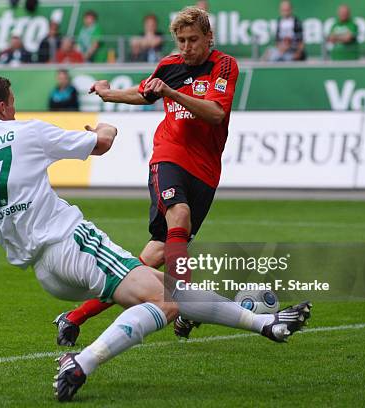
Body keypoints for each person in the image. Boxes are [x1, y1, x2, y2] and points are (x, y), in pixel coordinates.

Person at [0, 74, 311, 402]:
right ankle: (82, 362)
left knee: (165, 295)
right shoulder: (24, 132)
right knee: (169, 297)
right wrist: (103, 126)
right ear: (3, 107)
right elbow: (102, 144)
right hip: (72, 243)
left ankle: (263, 322)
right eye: (12, 100)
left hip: (44, 273)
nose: (14, 107)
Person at [54, 6, 243, 345]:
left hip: (205, 171)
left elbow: (215, 114)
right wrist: (109, 93)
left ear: (208, 38)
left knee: (153, 256)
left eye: (193, 40)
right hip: (168, 156)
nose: (186, 47)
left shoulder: (224, 65)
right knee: (179, 215)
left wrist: (170, 93)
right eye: (181, 41)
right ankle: (184, 304)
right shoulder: (169, 66)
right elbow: (144, 93)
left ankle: (74, 317)